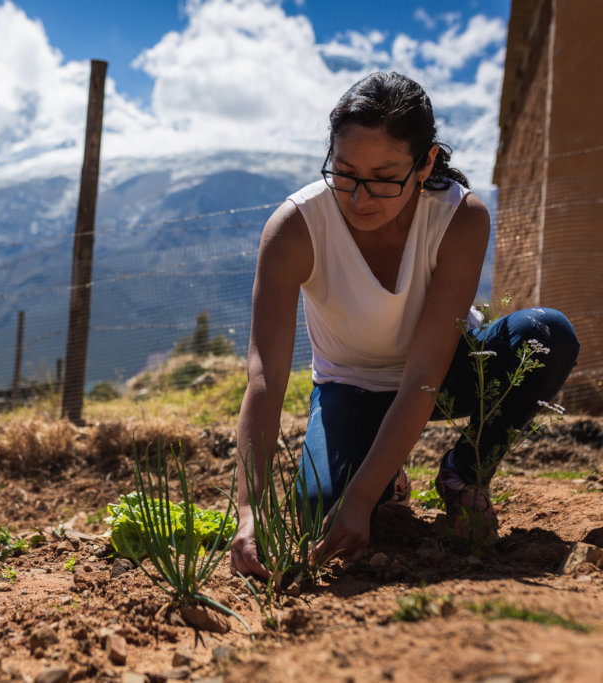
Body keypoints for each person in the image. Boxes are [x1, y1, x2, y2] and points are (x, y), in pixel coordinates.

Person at [230, 72, 579, 578]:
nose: (360, 198)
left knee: (547, 336)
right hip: (350, 386)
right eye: (345, 172)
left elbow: (425, 372)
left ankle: (465, 475)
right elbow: (265, 378)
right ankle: (386, 468)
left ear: (426, 163)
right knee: (319, 513)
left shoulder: (459, 218)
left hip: (447, 374)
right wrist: (249, 510)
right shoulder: (295, 229)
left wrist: (362, 495)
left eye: (385, 177)